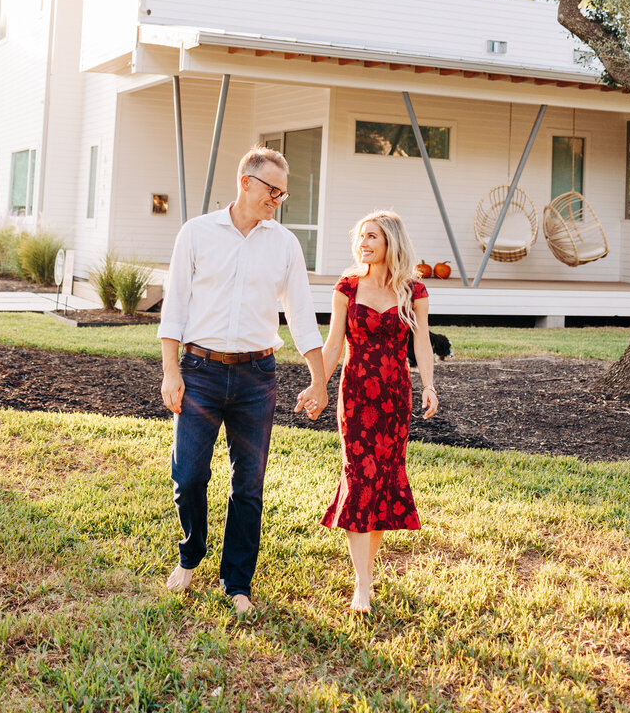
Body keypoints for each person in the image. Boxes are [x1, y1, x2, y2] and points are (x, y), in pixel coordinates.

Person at [159, 146, 328, 617]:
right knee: (189, 475)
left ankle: (237, 583)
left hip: (257, 377)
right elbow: (174, 307)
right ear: (245, 182)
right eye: (272, 189)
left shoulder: (285, 244)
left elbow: (301, 316)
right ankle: (190, 556)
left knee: (248, 484)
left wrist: (318, 381)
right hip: (199, 372)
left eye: (283, 192)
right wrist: (171, 371)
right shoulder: (196, 234)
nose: (278, 198)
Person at [303, 210, 438, 613]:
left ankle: (367, 572)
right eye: (361, 236)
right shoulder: (346, 287)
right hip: (357, 393)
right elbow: (332, 345)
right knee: (359, 477)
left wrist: (428, 385)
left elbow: (423, 345)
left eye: (372, 237)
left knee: (382, 483)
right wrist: (317, 384)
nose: (363, 243)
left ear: (390, 242)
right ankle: (362, 584)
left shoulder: (414, 291)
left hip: (395, 398)